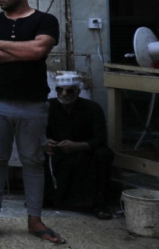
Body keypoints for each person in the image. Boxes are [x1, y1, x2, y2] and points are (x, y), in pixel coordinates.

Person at [0, 0, 63, 245]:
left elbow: (38, 49)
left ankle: (35, 219)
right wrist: (22, 52)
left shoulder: (45, 20)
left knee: (33, 161)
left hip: (33, 103)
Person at [45, 71, 115, 217]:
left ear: (78, 91)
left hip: (85, 152)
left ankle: (99, 205)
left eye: (69, 90)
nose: (64, 94)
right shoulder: (49, 107)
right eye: (60, 90)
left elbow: (99, 139)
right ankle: (48, 199)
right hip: (58, 152)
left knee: (103, 154)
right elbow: (37, 131)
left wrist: (77, 146)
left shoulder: (92, 109)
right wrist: (45, 142)